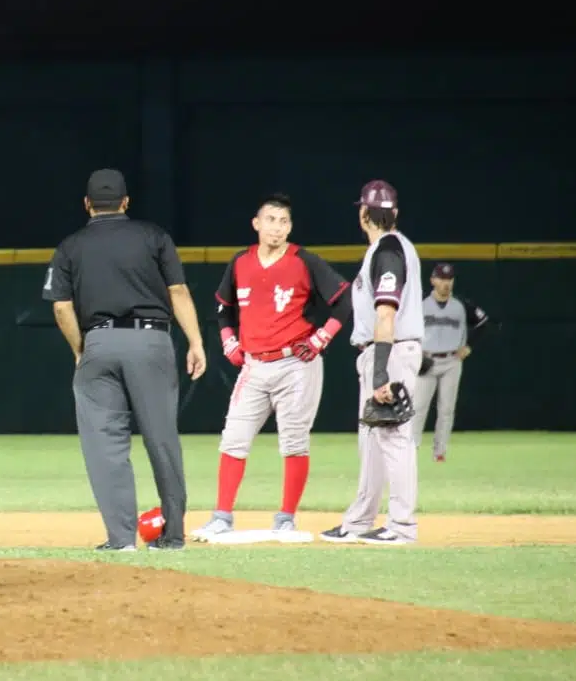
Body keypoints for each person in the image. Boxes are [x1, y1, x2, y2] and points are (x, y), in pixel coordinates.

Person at [41, 168, 207, 552]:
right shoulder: (153, 237)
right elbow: (178, 291)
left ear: (87, 205)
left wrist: (81, 349)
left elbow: (62, 308)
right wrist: (196, 341)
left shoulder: (70, 246)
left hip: (98, 343)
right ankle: (174, 534)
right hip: (152, 343)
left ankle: (120, 539)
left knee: (105, 445)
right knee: (161, 439)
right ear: (125, 202)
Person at [191, 193, 352, 542]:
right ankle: (221, 516)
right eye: (270, 220)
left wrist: (321, 338)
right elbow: (223, 308)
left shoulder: (304, 261)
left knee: (294, 442)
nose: (276, 228)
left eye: (283, 222)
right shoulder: (240, 263)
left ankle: (286, 518)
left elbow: (344, 301)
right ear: (257, 224)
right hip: (254, 365)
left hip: (296, 364)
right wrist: (228, 340)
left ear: (289, 227)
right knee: (233, 438)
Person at [321, 180, 424, 546]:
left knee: (394, 437)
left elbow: (386, 313)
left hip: (390, 351)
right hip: (383, 351)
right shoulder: (389, 248)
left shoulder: (389, 250)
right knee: (372, 439)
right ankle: (360, 521)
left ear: (363, 214)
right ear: (394, 213)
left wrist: (381, 371)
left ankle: (401, 527)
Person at [410, 263, 489, 462]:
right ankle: (411, 448)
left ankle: (440, 452)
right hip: (427, 360)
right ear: (433, 280)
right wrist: (416, 354)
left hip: (452, 360)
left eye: (449, 279)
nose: (446, 283)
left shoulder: (461, 305)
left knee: (446, 409)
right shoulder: (419, 304)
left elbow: (483, 322)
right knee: (418, 407)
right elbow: (406, 329)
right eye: (442, 278)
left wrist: (468, 345)